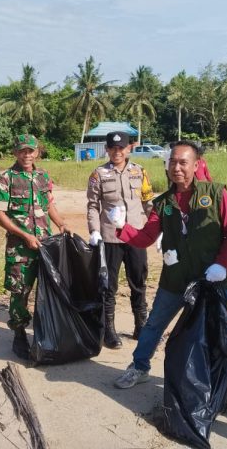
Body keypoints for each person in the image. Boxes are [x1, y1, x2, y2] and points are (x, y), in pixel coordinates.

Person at [112, 140, 227, 420]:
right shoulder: (164, 204)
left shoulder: (216, 194)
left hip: (212, 279)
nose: (177, 168)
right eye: (172, 162)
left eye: (183, 162)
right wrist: (121, 228)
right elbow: (147, 237)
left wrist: (222, 265)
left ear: (196, 165)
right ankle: (139, 367)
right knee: (154, 325)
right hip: (175, 279)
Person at [0, 134, 68, 359]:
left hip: (45, 245)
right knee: (20, 291)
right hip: (20, 248)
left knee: (48, 289)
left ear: (37, 152)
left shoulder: (43, 175)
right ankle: (19, 334)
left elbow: (49, 205)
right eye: (22, 151)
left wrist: (62, 223)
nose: (27, 155)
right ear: (15, 152)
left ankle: (45, 332)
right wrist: (24, 235)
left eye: (31, 151)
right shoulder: (6, 178)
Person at [87, 130, 154, 348]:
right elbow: (93, 205)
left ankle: (141, 327)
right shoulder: (98, 174)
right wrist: (94, 230)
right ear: (107, 149)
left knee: (139, 282)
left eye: (121, 148)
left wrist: (157, 229)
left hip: (136, 236)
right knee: (108, 285)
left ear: (129, 148)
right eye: (113, 148)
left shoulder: (139, 172)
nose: (117, 152)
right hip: (110, 237)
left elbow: (148, 202)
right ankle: (109, 331)